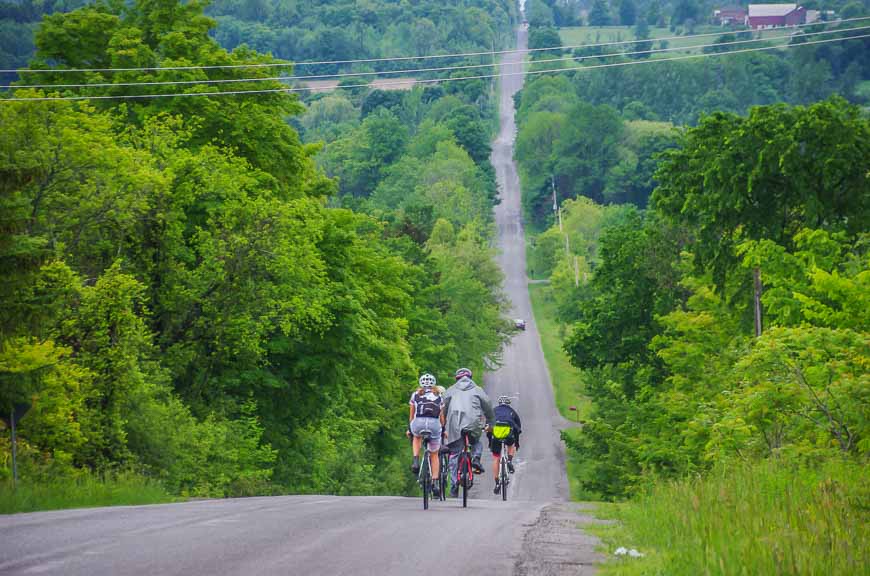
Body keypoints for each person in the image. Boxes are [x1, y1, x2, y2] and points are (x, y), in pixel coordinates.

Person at [442, 367, 494, 498]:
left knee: (454, 454)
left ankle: (453, 487)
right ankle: (476, 458)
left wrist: (442, 425)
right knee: (476, 442)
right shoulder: (477, 389)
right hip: (473, 423)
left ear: (456, 378)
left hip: (455, 424)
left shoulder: (450, 390)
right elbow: (487, 406)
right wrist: (491, 422)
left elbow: (443, 407)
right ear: (470, 377)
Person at [408, 373, 445, 498]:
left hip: (418, 423)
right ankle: (435, 483)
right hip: (434, 425)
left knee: (416, 436)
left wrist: (410, 429)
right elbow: (442, 418)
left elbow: (412, 415)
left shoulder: (415, 395)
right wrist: (443, 429)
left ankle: (415, 460)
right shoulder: (439, 396)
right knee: (434, 454)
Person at [488, 395, 522, 494]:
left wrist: (490, 441)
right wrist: (517, 441)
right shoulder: (512, 411)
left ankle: (497, 482)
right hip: (508, 435)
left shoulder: (494, 411)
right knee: (512, 444)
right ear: (508, 404)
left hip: (496, 436)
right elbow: (518, 427)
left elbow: (488, 427)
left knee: (496, 458)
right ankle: (509, 461)